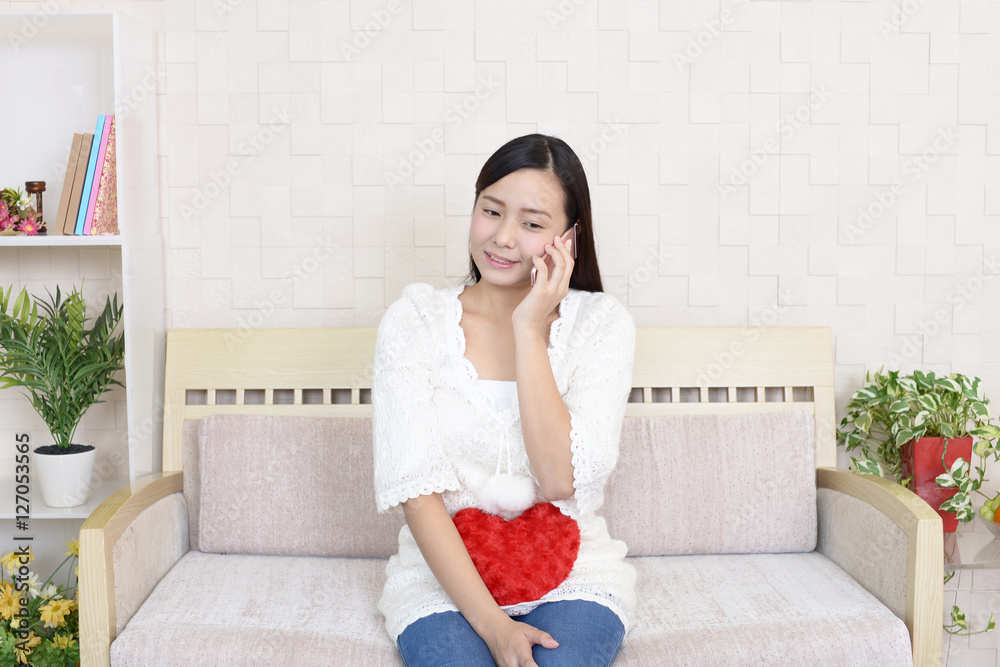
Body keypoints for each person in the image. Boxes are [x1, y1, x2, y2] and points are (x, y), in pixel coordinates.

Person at [373, 134, 636, 667]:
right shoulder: (415, 322)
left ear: (569, 238)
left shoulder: (601, 325)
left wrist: (527, 328)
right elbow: (418, 494)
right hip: (442, 580)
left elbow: (559, 479)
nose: (503, 237)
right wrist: (494, 627)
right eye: (491, 211)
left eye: (532, 224)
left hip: (573, 574)